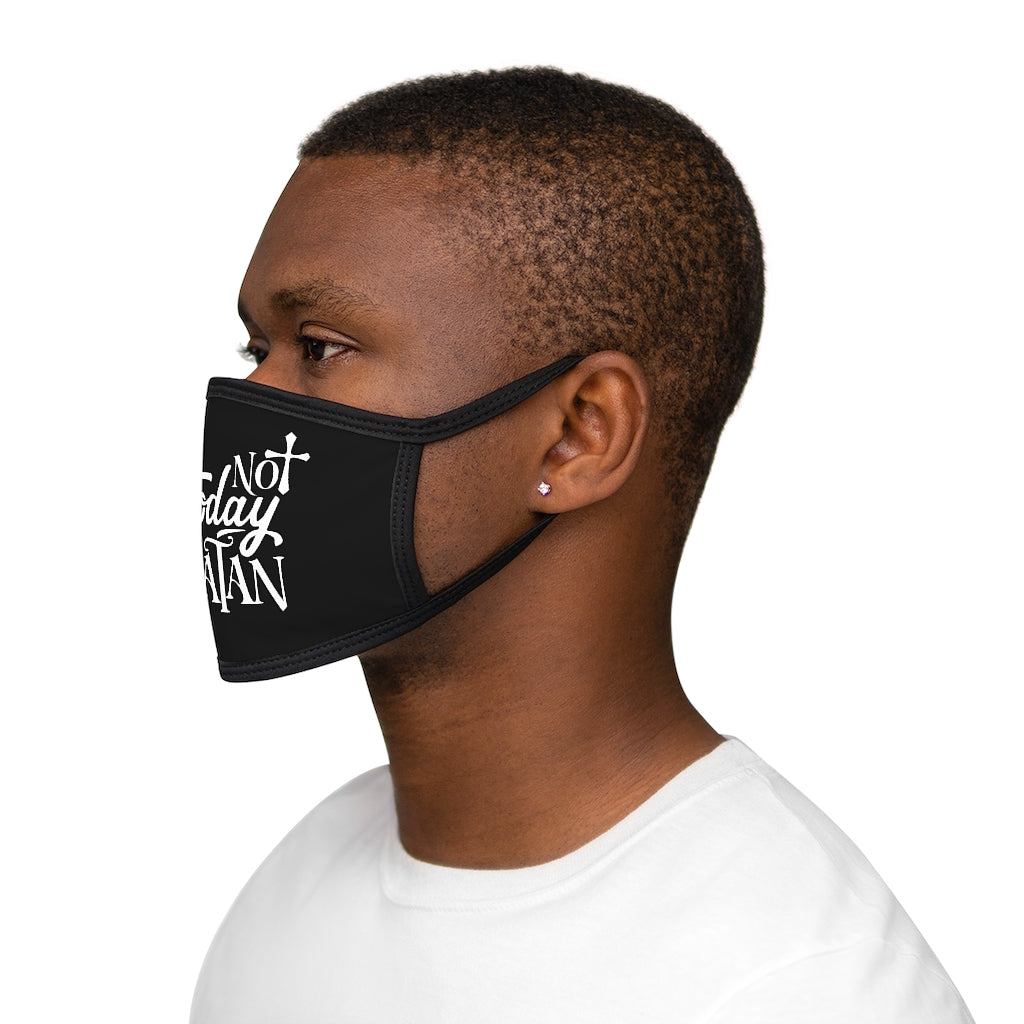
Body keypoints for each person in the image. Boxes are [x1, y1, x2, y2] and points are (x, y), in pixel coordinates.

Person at [193, 68, 974, 1022]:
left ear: (578, 435)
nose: (252, 406)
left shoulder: (802, 986)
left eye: (320, 347)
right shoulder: (291, 896)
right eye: (255, 351)